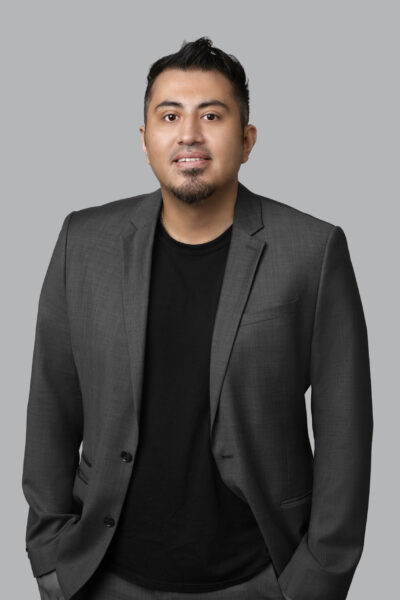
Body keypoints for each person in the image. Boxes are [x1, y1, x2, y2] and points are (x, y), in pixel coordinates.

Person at [22, 37, 373, 600]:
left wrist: (317, 581)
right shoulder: (82, 243)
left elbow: (345, 430)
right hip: (101, 576)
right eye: (170, 116)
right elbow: (50, 404)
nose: (189, 134)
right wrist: (49, 556)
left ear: (247, 140)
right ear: (145, 140)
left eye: (212, 115)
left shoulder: (312, 250)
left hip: (260, 577)